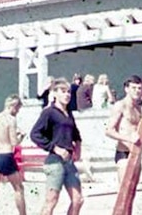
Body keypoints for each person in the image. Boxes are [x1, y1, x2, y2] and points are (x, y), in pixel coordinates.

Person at [30, 78, 84, 215]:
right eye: (63, 91)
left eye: (68, 92)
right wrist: (55, 148)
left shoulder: (68, 113)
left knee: (78, 200)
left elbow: (76, 134)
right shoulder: (49, 112)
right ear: (54, 93)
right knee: (52, 200)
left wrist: (78, 149)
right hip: (55, 162)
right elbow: (35, 134)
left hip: (69, 161)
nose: (67, 95)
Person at [0, 94, 26, 215]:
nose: (17, 112)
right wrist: (21, 136)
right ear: (13, 106)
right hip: (5, 155)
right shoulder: (11, 119)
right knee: (18, 188)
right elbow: (14, 143)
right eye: (18, 109)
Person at [104, 75, 142, 184]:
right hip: (123, 154)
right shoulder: (120, 105)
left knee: (132, 192)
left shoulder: (138, 108)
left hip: (135, 153)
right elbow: (109, 130)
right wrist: (129, 139)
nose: (137, 91)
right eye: (134, 88)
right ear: (127, 89)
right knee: (124, 191)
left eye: (139, 88)